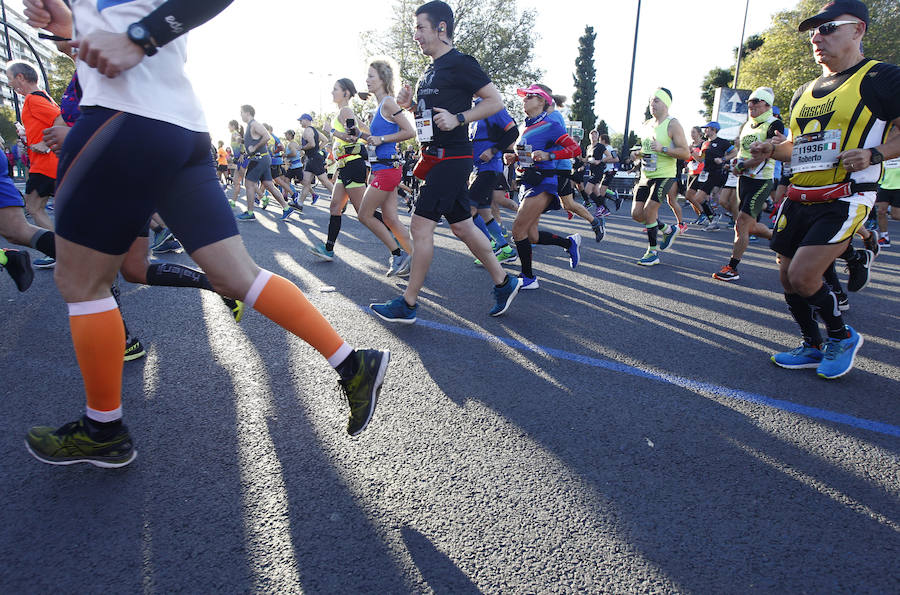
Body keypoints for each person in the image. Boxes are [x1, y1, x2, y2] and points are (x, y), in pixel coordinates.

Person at [21, 0, 391, 468]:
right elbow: (115, 33)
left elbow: (138, 33)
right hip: (180, 129)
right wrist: (73, 26)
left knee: (81, 284)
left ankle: (103, 429)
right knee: (239, 276)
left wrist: (139, 37)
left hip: (125, 120)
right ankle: (352, 363)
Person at [760, 0, 900, 379]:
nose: (816, 38)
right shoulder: (803, 91)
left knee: (806, 275)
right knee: (787, 276)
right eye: (813, 31)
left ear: (858, 30)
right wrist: (772, 149)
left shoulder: (882, 78)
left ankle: (842, 337)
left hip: (846, 196)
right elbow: (801, 147)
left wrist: (877, 152)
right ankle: (812, 345)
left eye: (828, 28)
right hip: (799, 195)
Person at [369, 0, 520, 323]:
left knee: (421, 225)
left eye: (421, 28)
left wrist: (460, 117)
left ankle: (408, 304)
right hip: (436, 158)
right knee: (463, 226)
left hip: (453, 158)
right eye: (415, 29)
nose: (415, 36)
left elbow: (495, 101)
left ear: (442, 28)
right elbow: (430, 122)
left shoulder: (461, 63)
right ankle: (505, 282)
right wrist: (410, 107)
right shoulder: (430, 70)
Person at [504, 84, 583, 289]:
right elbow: (527, 154)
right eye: (524, 97)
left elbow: (575, 149)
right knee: (532, 236)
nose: (524, 100)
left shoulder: (551, 124)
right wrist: (514, 157)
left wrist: (550, 155)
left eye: (529, 97)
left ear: (542, 101)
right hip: (527, 181)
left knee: (517, 230)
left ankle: (528, 277)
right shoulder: (525, 126)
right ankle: (569, 243)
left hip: (544, 183)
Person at [712, 87, 784, 282]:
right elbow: (742, 151)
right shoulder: (747, 125)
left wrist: (743, 166)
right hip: (743, 179)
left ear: (767, 104)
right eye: (749, 102)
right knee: (749, 226)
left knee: (741, 223)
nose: (751, 105)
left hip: (761, 181)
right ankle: (782, 241)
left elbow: (765, 153)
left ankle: (732, 267)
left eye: (756, 101)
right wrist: (735, 164)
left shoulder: (774, 123)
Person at [356, 58, 416, 276]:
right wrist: (362, 136)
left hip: (389, 169)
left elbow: (409, 132)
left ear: (383, 78)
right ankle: (416, 260)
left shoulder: (389, 103)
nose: (367, 80)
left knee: (364, 215)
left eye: (371, 76)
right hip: (381, 168)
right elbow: (377, 139)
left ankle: (398, 253)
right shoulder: (380, 105)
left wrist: (380, 139)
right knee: (390, 219)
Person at [308, 78, 376, 261]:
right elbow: (365, 132)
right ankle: (328, 249)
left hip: (353, 165)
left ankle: (398, 243)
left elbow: (353, 138)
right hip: (344, 166)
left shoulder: (346, 111)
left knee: (364, 212)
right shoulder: (345, 112)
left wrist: (331, 131)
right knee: (335, 206)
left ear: (345, 93)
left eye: (335, 89)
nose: (332, 92)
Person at [7, 60, 60, 267]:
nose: (10, 83)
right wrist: (29, 136)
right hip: (50, 163)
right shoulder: (42, 97)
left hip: (45, 165)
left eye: (10, 78)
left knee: (34, 207)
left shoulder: (32, 99)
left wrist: (45, 143)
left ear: (20, 77)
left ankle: (58, 252)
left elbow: (62, 118)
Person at [629, 88, 691, 265]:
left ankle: (653, 252)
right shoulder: (647, 124)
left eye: (656, 100)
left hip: (664, 175)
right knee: (636, 214)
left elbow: (685, 153)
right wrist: (638, 154)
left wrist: (663, 149)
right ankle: (668, 229)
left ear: (666, 103)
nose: (652, 104)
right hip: (645, 175)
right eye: (650, 101)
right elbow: (647, 149)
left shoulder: (673, 124)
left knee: (650, 211)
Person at [237, 105, 293, 222]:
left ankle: (250, 212)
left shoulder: (254, 124)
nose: (240, 114)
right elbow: (253, 142)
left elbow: (266, 136)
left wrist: (255, 147)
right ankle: (286, 208)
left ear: (247, 113)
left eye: (241, 112)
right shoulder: (250, 126)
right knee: (269, 185)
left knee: (249, 184)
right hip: (261, 158)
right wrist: (243, 144)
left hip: (259, 159)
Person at [874, 126, 900, 247]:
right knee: (880, 211)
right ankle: (884, 237)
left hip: (898, 185)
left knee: (896, 215)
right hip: (885, 184)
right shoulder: (883, 144)